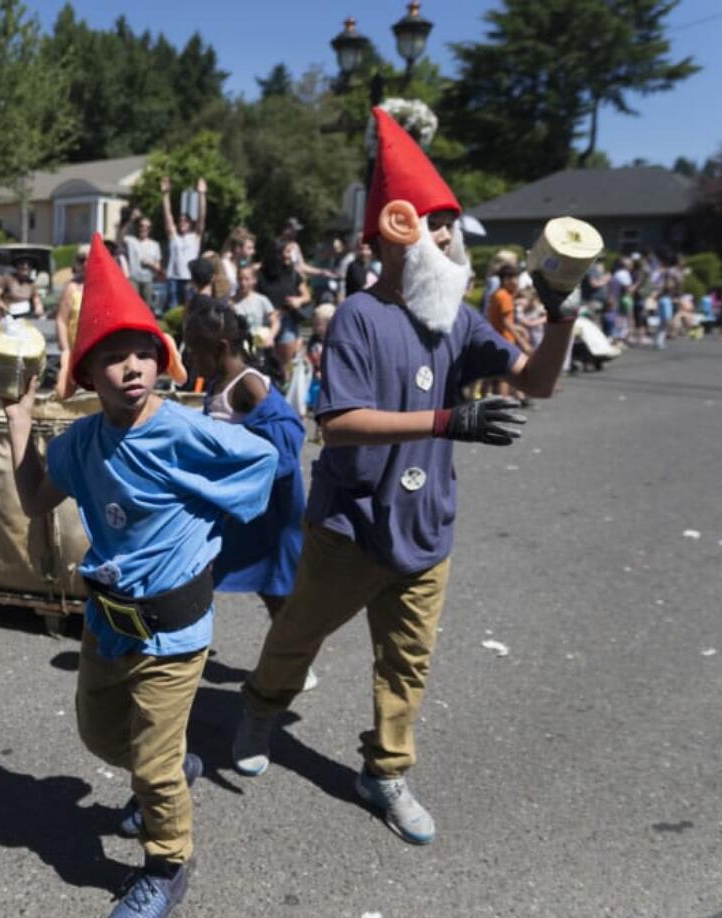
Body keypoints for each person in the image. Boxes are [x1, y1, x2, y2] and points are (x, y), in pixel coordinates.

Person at [230, 106, 578, 848]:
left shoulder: (458, 318)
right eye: (432, 221)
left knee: (408, 664)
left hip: (426, 529)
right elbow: (340, 422)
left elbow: (536, 383)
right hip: (350, 526)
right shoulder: (357, 314)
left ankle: (384, 771)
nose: (448, 236)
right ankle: (260, 706)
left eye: (452, 223)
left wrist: (563, 321)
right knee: (297, 634)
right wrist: (450, 422)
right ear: (391, 232)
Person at [1, 233, 277, 918]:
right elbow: (37, 499)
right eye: (111, 358)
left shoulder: (187, 431)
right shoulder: (82, 441)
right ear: (87, 375)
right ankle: (174, 772)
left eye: (142, 352)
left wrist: (209, 522)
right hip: (106, 624)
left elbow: (264, 461)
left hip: (175, 633)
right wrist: (18, 419)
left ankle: (166, 865)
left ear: (162, 359)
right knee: (100, 738)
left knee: (150, 769)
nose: (130, 367)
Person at [183, 299, 312, 690]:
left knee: (270, 585)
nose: (189, 358)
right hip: (241, 509)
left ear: (221, 349)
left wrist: (236, 453)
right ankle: (291, 660)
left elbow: (287, 434)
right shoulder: (222, 384)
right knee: (255, 583)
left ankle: (295, 663)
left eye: (194, 350)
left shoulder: (248, 384)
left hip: (266, 510)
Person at [258, 241, 310, 379]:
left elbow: (306, 296)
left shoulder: (293, 273)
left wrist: (298, 300)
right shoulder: (262, 274)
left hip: (287, 320)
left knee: (285, 362)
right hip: (265, 322)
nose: (290, 256)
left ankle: (285, 389)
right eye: (287, 252)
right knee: (263, 361)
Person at [160, 175, 206, 310]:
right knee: (173, 308)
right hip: (174, 278)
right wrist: (165, 194)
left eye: (185, 220)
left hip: (190, 279)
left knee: (190, 309)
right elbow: (167, 215)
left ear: (190, 223)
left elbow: (202, 217)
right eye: (180, 220)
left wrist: (201, 195)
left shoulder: (195, 237)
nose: (182, 222)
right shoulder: (174, 237)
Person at [486, 263, 532, 398]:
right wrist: (522, 341)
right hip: (504, 339)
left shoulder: (498, 294)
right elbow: (506, 323)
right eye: (515, 278)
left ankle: (490, 402)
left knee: (493, 375)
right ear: (506, 280)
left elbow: (501, 319)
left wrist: (519, 328)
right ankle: (503, 404)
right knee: (505, 375)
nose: (517, 282)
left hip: (496, 337)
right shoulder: (504, 296)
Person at [54, 244, 89, 398]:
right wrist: (65, 349)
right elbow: (61, 320)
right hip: (75, 351)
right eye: (81, 260)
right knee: (66, 395)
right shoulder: (72, 288)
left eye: (89, 259)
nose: (85, 264)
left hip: (95, 352)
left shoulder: (105, 287)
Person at [119, 210, 165, 316]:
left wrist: (150, 264)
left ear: (150, 229)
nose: (144, 228)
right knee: (133, 306)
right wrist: (131, 220)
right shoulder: (131, 241)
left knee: (147, 309)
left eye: (147, 227)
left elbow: (159, 268)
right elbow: (121, 236)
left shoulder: (155, 245)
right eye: (141, 226)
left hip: (148, 280)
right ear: (138, 227)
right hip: (134, 279)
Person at [231, 264, 280, 347]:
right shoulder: (230, 302)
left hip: (258, 344)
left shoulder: (262, 300)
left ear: (254, 280)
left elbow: (275, 322)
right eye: (240, 279)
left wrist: (270, 337)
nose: (243, 283)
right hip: (238, 346)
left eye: (247, 279)